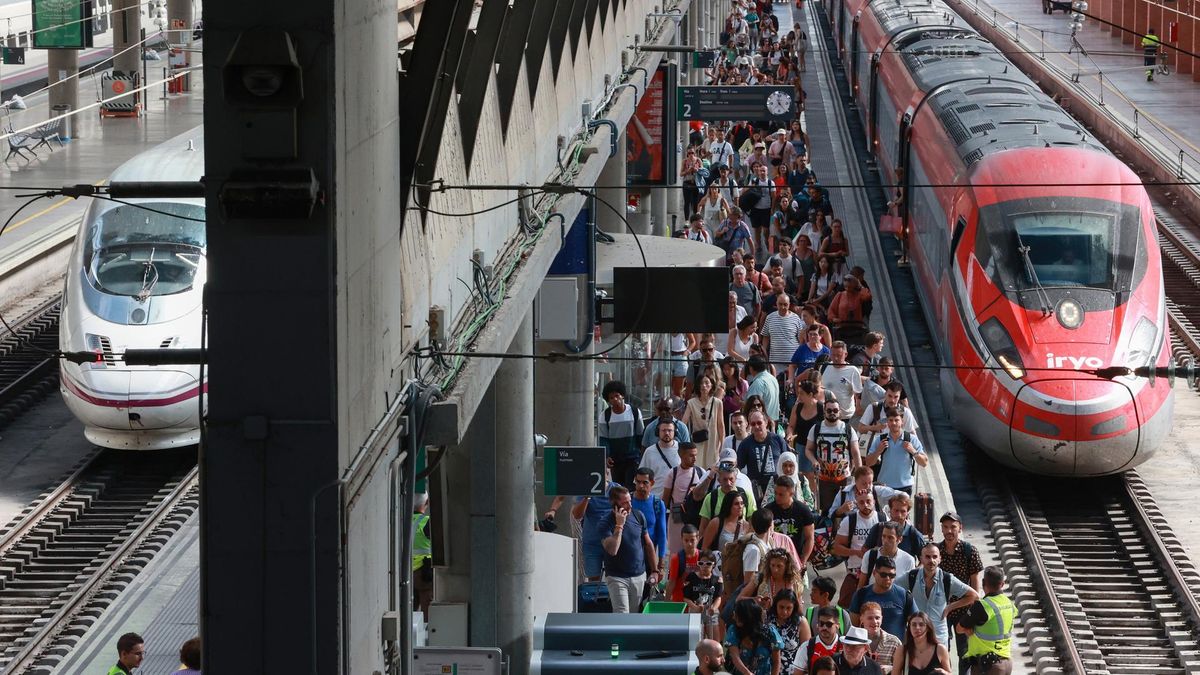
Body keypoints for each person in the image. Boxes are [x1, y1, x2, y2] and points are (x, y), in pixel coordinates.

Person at [899, 543, 978, 646]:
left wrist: (950, 607)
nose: (931, 560)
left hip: (939, 637)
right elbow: (892, 589)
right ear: (921, 559)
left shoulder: (947, 579)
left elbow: (974, 595)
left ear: (940, 559)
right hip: (916, 637)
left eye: (935, 557)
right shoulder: (911, 576)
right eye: (927, 557)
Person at [600, 485, 661, 613]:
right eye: (625, 503)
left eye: (630, 501)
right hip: (617, 576)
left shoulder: (638, 515)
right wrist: (619, 525)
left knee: (633, 616)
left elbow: (648, 543)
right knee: (622, 614)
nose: (629, 506)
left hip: (638, 574)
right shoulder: (605, 522)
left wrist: (655, 570)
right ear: (614, 503)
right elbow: (612, 550)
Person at [937, 512, 983, 668]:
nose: (949, 531)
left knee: (964, 653)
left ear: (960, 528)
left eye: (953, 527)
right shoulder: (936, 552)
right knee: (941, 650)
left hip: (964, 610)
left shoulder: (970, 551)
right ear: (941, 529)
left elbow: (976, 591)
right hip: (940, 610)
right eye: (945, 527)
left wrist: (971, 614)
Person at [804, 397, 862, 512]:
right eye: (829, 410)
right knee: (826, 511)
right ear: (824, 411)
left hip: (843, 478)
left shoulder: (848, 429)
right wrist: (814, 461)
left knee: (845, 511)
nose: (832, 413)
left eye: (835, 410)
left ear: (839, 412)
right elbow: (808, 449)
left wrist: (859, 477)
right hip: (823, 479)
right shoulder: (816, 428)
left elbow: (856, 453)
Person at [957, 567, 1015, 675]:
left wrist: (969, 629)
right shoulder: (1009, 603)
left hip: (989, 666)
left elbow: (959, 628)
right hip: (1006, 663)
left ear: (983, 583)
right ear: (1002, 584)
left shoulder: (983, 605)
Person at [833, 490, 882, 607]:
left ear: (874, 502)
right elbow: (837, 548)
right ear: (856, 504)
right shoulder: (849, 521)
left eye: (868, 501)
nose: (865, 505)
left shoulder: (882, 519)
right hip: (855, 574)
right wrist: (856, 552)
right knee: (846, 607)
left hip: (877, 574)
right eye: (861, 502)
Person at [849, 557, 919, 639]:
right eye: (883, 575)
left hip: (896, 649)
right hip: (867, 648)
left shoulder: (904, 596)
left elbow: (916, 624)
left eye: (892, 575)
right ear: (874, 573)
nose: (888, 578)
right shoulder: (861, 594)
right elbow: (854, 627)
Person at [863, 408, 928, 493]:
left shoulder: (911, 439)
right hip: (884, 486)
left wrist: (913, 451)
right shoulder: (880, 439)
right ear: (887, 422)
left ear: (902, 422)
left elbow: (924, 463)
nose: (893, 423)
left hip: (905, 486)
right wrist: (878, 451)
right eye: (890, 420)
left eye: (896, 420)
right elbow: (868, 463)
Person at [598, 380, 645, 488]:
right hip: (616, 459)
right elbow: (604, 439)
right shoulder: (605, 416)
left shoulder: (634, 412)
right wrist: (607, 456)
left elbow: (640, 434)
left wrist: (640, 454)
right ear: (608, 400)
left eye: (617, 396)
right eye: (611, 398)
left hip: (632, 457)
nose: (615, 399)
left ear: (622, 395)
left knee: (630, 486)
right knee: (618, 487)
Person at [764, 475, 815, 568]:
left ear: (791, 493)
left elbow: (810, 538)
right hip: (774, 562)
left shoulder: (803, 510)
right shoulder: (769, 510)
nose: (777, 497)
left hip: (796, 559)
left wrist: (803, 561)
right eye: (775, 493)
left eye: (781, 494)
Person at [665, 443, 708, 551]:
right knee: (676, 549)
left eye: (695, 455)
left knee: (693, 549)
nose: (694, 458)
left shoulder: (701, 472)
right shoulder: (673, 473)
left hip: (694, 515)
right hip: (677, 516)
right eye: (691, 455)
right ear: (681, 455)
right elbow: (665, 498)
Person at [725, 598, 785, 675]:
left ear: (746, 617)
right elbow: (734, 656)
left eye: (737, 613)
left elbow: (776, 661)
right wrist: (748, 673)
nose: (733, 616)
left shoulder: (770, 632)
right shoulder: (734, 630)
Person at [738, 410, 788, 499]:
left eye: (759, 423)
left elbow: (787, 461)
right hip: (757, 490)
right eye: (753, 424)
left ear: (766, 422)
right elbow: (738, 467)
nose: (756, 426)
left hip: (777, 487)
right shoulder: (745, 444)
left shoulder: (778, 440)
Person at [863, 494, 927, 558]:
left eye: (903, 511)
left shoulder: (913, 534)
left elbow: (925, 558)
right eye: (896, 510)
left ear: (907, 513)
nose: (899, 515)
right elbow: (865, 550)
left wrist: (913, 567)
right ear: (890, 511)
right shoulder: (878, 528)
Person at [858, 522, 917, 590]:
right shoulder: (870, 556)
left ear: (899, 539)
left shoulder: (908, 560)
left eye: (890, 538)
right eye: (884, 536)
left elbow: (911, 589)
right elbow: (861, 586)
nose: (885, 540)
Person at [769, 588, 812, 674]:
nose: (784, 612)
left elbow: (807, 651)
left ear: (794, 607)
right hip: (768, 669)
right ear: (775, 605)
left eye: (789, 608)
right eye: (781, 607)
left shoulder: (801, 622)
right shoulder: (767, 619)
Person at [686, 550, 727, 640]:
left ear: (714, 565)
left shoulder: (717, 580)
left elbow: (718, 597)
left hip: (711, 611)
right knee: (696, 640)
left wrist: (713, 608)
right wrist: (695, 607)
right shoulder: (691, 577)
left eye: (708, 564)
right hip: (695, 610)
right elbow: (686, 597)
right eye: (701, 563)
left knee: (714, 640)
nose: (704, 566)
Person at [631, 467, 670, 560]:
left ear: (652, 483)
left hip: (649, 555)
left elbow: (662, 533)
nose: (641, 486)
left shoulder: (658, 504)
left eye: (645, 482)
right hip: (629, 554)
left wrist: (661, 560)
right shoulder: (627, 501)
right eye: (638, 482)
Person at [640, 417, 682, 500]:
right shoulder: (649, 452)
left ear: (675, 433)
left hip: (676, 501)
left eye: (670, 430)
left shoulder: (682, 450)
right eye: (663, 430)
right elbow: (641, 477)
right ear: (657, 432)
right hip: (655, 499)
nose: (666, 433)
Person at [820, 341, 863, 420]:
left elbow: (858, 393)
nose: (835, 358)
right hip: (826, 417)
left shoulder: (853, 370)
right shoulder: (824, 367)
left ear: (845, 354)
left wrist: (858, 407)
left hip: (846, 417)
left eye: (839, 356)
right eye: (833, 355)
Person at [793, 607, 844, 673]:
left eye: (829, 624)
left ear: (838, 625)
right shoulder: (806, 647)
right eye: (821, 624)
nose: (824, 627)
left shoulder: (846, 646)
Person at [761, 293, 804, 367]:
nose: (782, 307)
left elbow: (800, 339)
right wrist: (764, 353)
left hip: (792, 362)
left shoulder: (796, 318)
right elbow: (766, 337)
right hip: (775, 362)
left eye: (785, 304)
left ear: (789, 304)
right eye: (780, 304)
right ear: (776, 304)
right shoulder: (769, 317)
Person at [703, 487, 750, 553]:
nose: (740, 507)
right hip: (719, 561)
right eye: (736, 504)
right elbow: (705, 548)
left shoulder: (746, 525)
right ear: (728, 505)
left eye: (742, 503)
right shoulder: (716, 522)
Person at [859, 603, 902, 675]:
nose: (874, 622)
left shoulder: (894, 642)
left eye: (877, 618)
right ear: (861, 619)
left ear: (882, 619)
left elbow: (905, 668)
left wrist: (891, 668)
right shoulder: (855, 641)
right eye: (870, 618)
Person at [669, 523, 703, 601]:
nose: (689, 544)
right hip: (679, 599)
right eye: (686, 540)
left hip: (697, 600)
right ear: (681, 538)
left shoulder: (703, 557)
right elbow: (671, 582)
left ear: (697, 538)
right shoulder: (676, 558)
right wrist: (666, 603)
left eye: (692, 540)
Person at [744, 355, 781, 423]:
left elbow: (752, 406)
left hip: (762, 423)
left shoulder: (758, 383)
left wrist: (740, 402)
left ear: (751, 368)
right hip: (773, 421)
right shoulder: (773, 379)